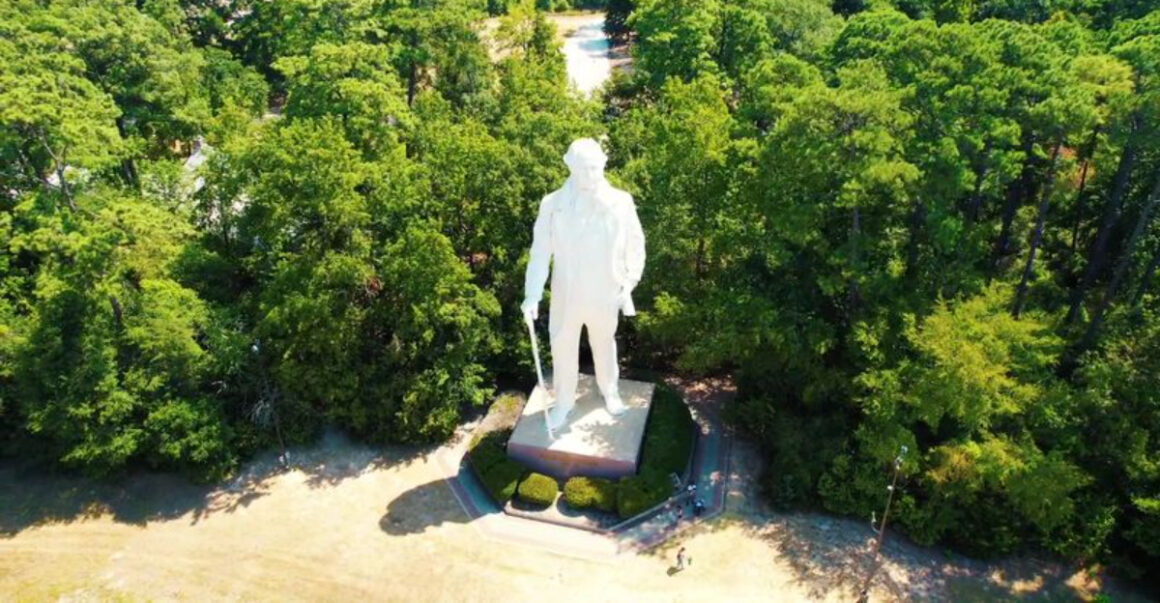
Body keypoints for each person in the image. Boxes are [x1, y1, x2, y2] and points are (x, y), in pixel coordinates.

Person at [522, 139, 647, 430]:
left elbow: (635, 244)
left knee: (604, 345)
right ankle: (564, 401)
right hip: (566, 295)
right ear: (571, 168)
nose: (590, 175)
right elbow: (540, 252)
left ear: (602, 165)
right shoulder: (552, 205)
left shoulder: (621, 201)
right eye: (583, 169)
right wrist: (532, 295)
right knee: (562, 348)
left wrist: (629, 281)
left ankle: (610, 391)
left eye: (594, 168)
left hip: (605, 293)